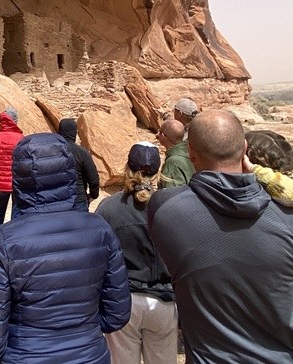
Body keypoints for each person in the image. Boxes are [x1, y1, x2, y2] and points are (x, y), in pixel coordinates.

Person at [0, 133, 131, 364]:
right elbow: (117, 314)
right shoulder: (99, 230)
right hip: (89, 354)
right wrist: (84, 330)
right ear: (67, 173)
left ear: (18, 177)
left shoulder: (5, 240)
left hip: (25, 355)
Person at [148, 110, 293, 363]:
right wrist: (262, 175)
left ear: (191, 153)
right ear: (245, 149)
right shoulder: (285, 216)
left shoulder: (166, 210)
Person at [97, 141, 177, 364]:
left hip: (124, 302)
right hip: (164, 301)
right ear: (159, 170)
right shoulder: (174, 206)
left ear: (127, 168)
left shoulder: (108, 208)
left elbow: (100, 257)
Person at [0, 107, 24, 227]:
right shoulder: (21, 139)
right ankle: (13, 241)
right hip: (16, 182)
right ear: (14, 121)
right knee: (16, 215)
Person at [57, 117, 100, 210]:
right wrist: (93, 196)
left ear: (59, 132)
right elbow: (94, 179)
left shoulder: (51, 151)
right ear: (75, 133)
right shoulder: (82, 152)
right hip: (78, 200)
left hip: (57, 201)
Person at [156, 119, 195, 188]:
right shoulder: (190, 152)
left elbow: (170, 194)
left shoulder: (172, 163)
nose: (157, 135)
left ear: (162, 136)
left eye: (159, 132)